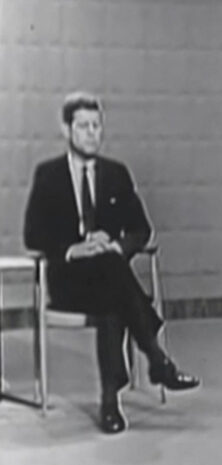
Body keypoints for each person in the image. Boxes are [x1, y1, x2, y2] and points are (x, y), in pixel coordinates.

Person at [23, 92, 200, 434]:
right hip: (69, 283)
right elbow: (34, 235)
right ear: (66, 130)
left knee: (111, 282)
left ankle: (111, 403)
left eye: (96, 126)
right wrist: (76, 249)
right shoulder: (49, 175)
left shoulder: (116, 173)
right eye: (83, 126)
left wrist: (116, 245)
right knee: (115, 282)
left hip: (108, 280)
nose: (92, 133)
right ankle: (156, 359)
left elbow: (141, 229)